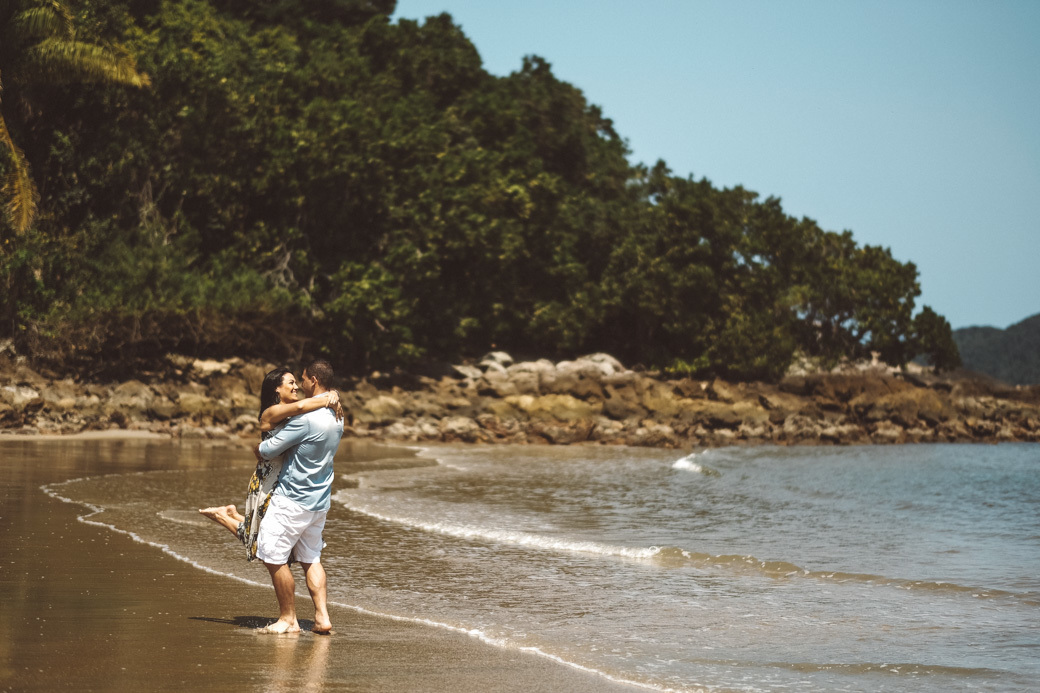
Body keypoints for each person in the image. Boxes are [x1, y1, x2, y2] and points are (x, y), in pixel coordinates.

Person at [199, 368, 342, 563]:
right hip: (267, 480)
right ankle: (222, 517)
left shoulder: (295, 410)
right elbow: (302, 408)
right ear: (276, 389)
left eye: (296, 382)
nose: (296, 386)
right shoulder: (272, 412)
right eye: (290, 383)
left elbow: (306, 407)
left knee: (274, 537)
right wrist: (330, 398)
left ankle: (231, 514)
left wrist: (334, 394)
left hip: (284, 481)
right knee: (258, 539)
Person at [252, 359, 344, 635]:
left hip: (293, 499)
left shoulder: (305, 420)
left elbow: (267, 451)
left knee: (271, 554)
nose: (300, 384)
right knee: (311, 558)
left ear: (313, 381)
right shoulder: (338, 415)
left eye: (302, 379)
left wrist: (257, 447)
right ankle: (322, 617)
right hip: (319, 500)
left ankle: (288, 618)